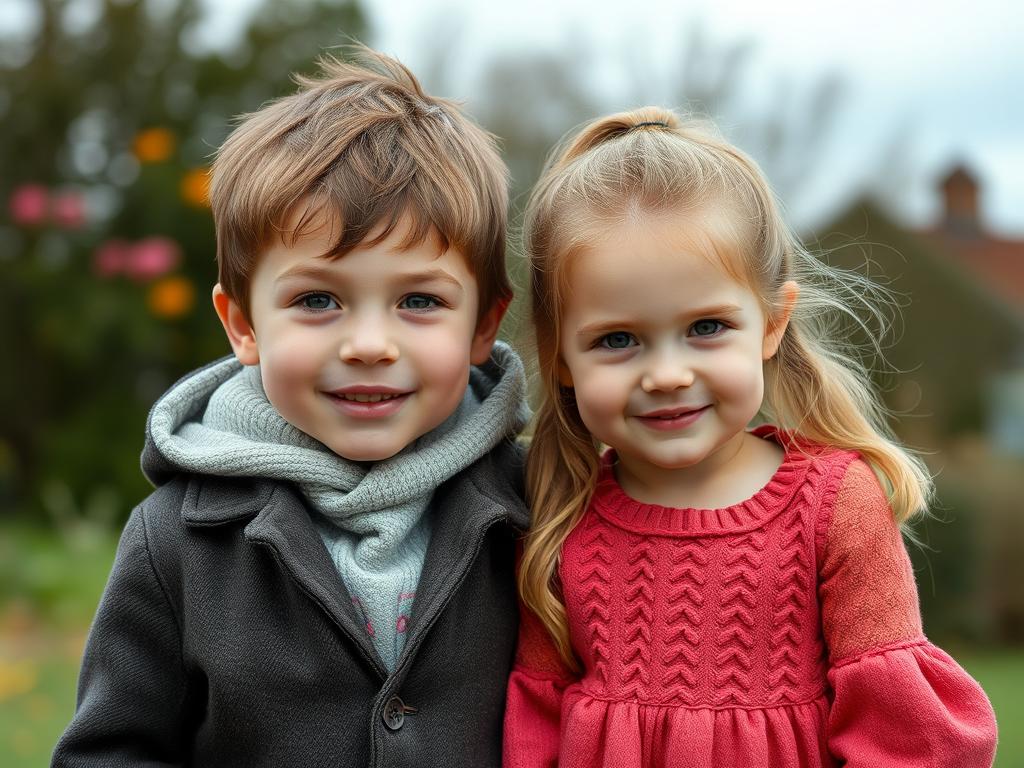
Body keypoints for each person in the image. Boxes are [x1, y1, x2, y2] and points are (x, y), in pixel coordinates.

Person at [53, 47, 530, 768]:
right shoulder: (175, 542)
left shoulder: (537, 503)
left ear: (483, 326)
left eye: (419, 301)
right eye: (318, 300)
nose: (370, 344)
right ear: (243, 324)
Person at [503, 108, 998, 767]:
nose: (668, 374)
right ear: (560, 355)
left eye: (706, 327)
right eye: (617, 340)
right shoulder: (559, 516)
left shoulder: (833, 505)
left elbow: (905, 738)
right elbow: (531, 733)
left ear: (771, 323)